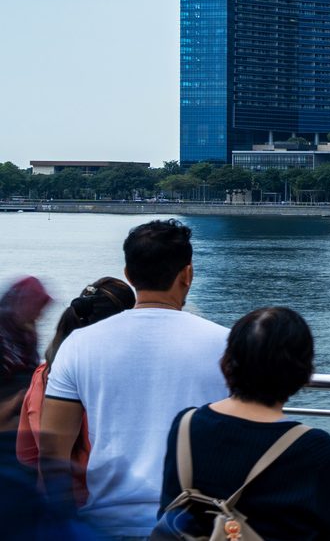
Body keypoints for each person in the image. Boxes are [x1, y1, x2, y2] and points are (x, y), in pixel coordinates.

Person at [36, 219, 229, 535]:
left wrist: (65, 522)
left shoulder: (79, 344)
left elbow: (52, 449)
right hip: (199, 524)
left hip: (106, 523)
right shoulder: (228, 345)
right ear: (188, 274)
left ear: (128, 274)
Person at [154, 307, 330, 539]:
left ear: (227, 362)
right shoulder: (313, 448)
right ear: (301, 372)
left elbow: (169, 512)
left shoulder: (186, 425)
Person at [15, 277, 134, 487]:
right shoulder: (123, 377)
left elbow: (26, 454)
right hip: (109, 503)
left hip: (59, 504)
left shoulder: (43, 375)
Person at [1, 276, 52, 462]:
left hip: (23, 429)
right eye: (36, 309)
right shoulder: (4, 340)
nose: (39, 316)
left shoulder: (25, 334)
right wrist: (19, 400)